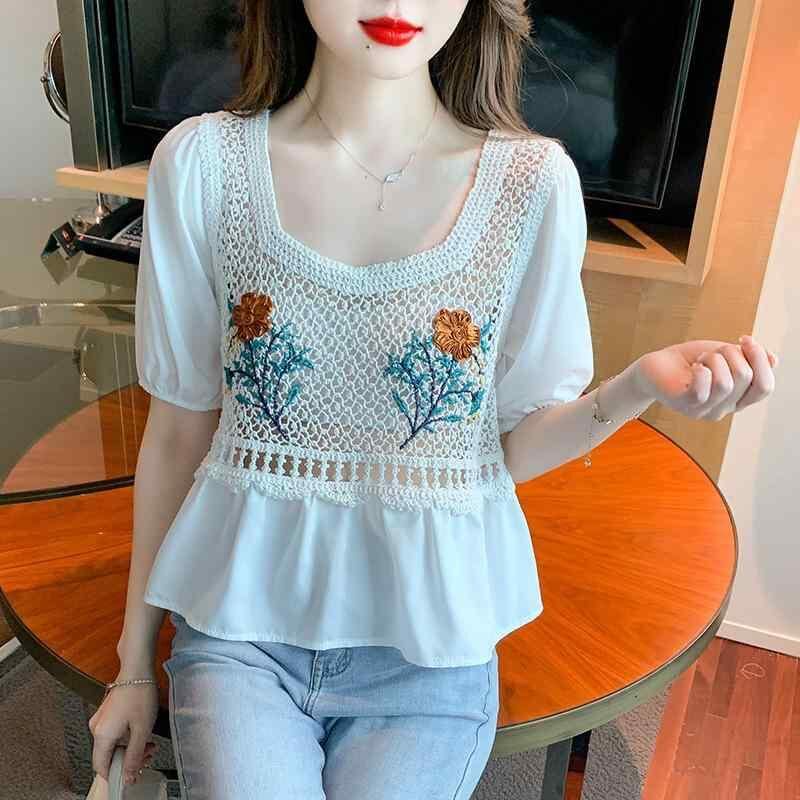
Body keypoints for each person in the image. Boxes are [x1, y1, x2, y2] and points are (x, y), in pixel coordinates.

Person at [87, 2, 779, 798]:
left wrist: (638, 388)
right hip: (241, 636)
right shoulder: (202, 166)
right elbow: (178, 433)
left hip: (428, 656)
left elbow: (504, 451)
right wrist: (133, 665)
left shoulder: (531, 186)